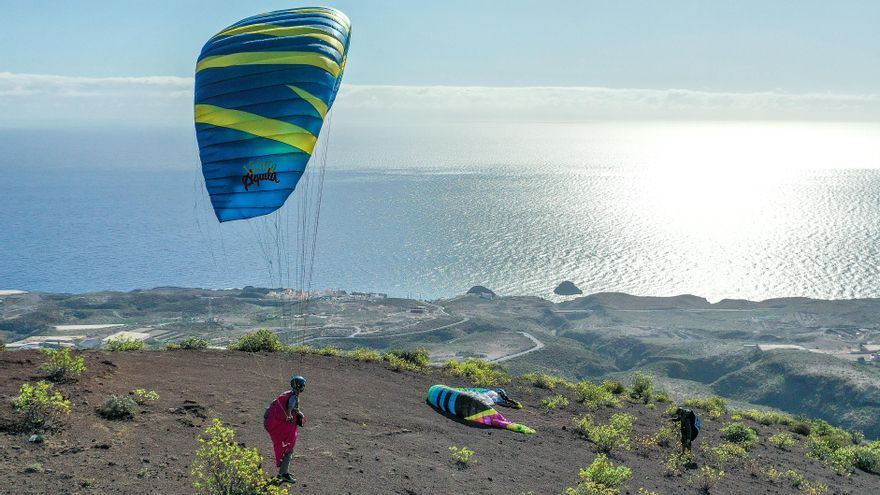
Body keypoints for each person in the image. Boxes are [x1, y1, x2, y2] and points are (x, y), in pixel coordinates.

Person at [264, 375, 305, 483]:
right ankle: (283, 474)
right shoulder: (293, 397)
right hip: (284, 428)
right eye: (303, 385)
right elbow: (291, 406)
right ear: (299, 386)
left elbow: (274, 403)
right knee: (288, 450)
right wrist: (291, 414)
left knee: (288, 449)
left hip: (278, 425)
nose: (304, 387)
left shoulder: (287, 393)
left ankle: (284, 470)